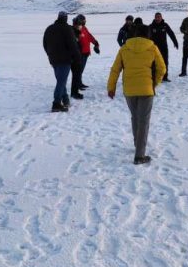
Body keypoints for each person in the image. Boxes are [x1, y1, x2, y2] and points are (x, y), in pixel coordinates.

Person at [107, 23, 166, 165]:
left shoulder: (124, 48)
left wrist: (111, 87)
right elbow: (162, 69)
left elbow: (115, 69)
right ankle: (139, 155)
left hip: (129, 90)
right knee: (143, 121)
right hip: (146, 90)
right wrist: (154, 83)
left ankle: (137, 144)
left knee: (135, 117)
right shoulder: (152, 47)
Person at [43, 11, 81, 112]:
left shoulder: (49, 28)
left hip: (54, 60)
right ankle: (56, 103)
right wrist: (77, 57)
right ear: (66, 18)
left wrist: (49, 54)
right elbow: (73, 44)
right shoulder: (67, 29)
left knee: (61, 80)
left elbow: (45, 44)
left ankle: (65, 99)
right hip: (65, 60)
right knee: (61, 81)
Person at [149, 12, 179, 82]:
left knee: (165, 62)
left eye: (159, 17)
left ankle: (165, 77)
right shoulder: (151, 26)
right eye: (156, 17)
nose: (158, 18)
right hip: (154, 48)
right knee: (154, 63)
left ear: (161, 17)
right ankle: (155, 77)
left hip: (163, 47)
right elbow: (147, 36)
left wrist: (175, 42)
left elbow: (171, 33)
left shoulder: (165, 25)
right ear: (155, 17)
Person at [74, 14, 100, 91]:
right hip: (80, 53)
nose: (84, 21)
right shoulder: (77, 28)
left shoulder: (84, 28)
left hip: (86, 52)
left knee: (81, 69)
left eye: (84, 20)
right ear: (79, 20)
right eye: (83, 20)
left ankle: (79, 83)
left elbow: (89, 36)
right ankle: (77, 84)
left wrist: (95, 42)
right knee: (79, 70)